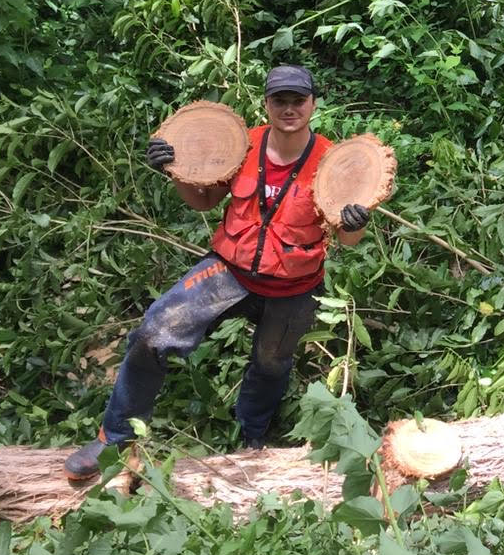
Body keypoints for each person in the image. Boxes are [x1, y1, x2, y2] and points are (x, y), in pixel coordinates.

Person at [64, 64, 371, 479]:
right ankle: (114, 438)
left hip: (294, 286)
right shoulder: (243, 145)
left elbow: (347, 239)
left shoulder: (332, 161)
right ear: (267, 104)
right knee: (154, 332)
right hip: (230, 271)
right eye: (279, 100)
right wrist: (175, 170)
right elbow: (203, 201)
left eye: (298, 100)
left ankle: (251, 440)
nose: (289, 108)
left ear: (313, 104)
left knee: (271, 364)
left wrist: (356, 221)